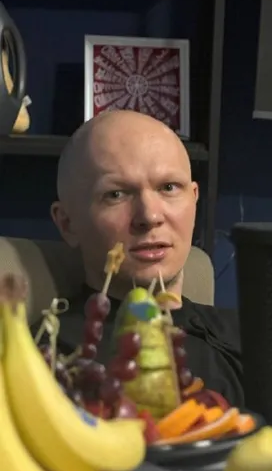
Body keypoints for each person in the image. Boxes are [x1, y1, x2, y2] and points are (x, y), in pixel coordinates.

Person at [47, 109, 244, 408]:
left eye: (168, 188)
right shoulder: (51, 359)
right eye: (116, 194)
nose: (150, 216)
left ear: (194, 200)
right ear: (67, 223)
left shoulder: (251, 338)